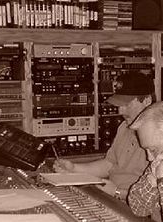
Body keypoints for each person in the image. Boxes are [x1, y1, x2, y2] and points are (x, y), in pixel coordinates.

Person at [53, 72, 154, 200]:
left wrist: (118, 192)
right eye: (119, 104)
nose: (120, 110)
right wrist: (74, 168)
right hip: (113, 197)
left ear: (147, 100)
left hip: (133, 204)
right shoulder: (124, 127)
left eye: (126, 104)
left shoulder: (160, 136)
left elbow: (156, 194)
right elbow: (109, 164)